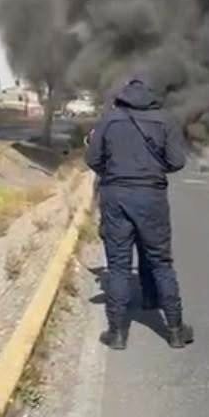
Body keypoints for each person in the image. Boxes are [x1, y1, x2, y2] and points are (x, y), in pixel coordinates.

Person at [85, 76, 192, 350]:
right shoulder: (164, 120)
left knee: (118, 265)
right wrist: (151, 172)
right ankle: (176, 331)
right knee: (161, 262)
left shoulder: (109, 120)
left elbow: (92, 159)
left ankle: (117, 333)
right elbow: (177, 161)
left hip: (116, 197)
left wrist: (116, 171)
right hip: (151, 197)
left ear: (121, 96)